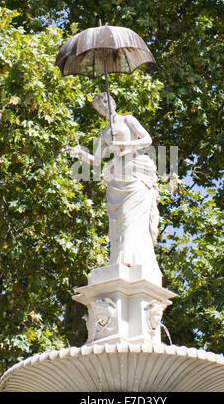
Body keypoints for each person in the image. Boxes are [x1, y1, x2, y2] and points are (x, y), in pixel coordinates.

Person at [65, 92, 161, 276]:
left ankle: (133, 260)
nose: (103, 108)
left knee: (131, 217)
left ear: (113, 103)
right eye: (99, 107)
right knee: (120, 221)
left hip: (136, 172)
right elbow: (96, 159)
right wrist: (80, 153)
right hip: (118, 176)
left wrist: (125, 146)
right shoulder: (105, 133)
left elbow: (147, 140)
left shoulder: (128, 120)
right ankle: (121, 259)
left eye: (105, 103)